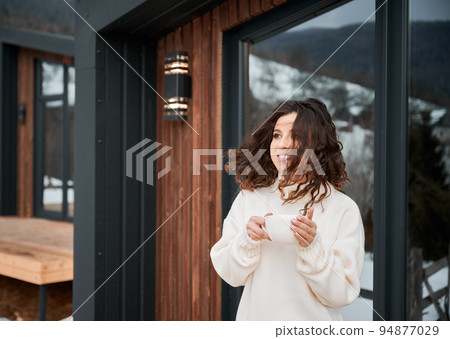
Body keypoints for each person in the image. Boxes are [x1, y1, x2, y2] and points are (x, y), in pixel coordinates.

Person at [210, 98, 365, 321]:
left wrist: (313, 247)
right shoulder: (250, 198)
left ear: (318, 143)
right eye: (277, 135)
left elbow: (343, 293)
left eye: (296, 136)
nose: (282, 144)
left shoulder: (343, 209)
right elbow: (230, 274)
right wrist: (248, 240)